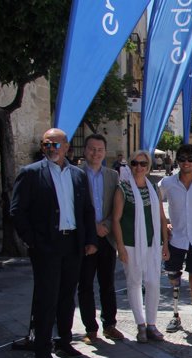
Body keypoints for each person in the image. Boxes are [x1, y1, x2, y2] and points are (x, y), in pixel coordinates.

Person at [10, 128, 98, 358]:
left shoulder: (77, 175)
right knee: (46, 296)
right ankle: (42, 346)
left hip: (72, 243)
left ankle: (64, 340)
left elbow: (87, 211)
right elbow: (17, 211)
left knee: (67, 295)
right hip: (47, 244)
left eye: (55, 145)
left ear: (67, 147)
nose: (51, 149)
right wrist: (33, 240)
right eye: (47, 144)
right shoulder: (30, 174)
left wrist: (90, 240)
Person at [112, 150, 170, 343]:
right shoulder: (123, 189)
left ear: (148, 167)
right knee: (135, 283)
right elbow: (116, 219)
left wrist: (165, 244)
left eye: (143, 164)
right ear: (130, 165)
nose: (139, 167)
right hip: (130, 243)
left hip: (152, 244)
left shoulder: (154, 188)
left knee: (153, 283)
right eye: (135, 163)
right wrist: (120, 247)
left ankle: (152, 324)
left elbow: (162, 218)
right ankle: (140, 325)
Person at [159, 144, 192, 335]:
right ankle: (175, 315)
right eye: (182, 159)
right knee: (173, 278)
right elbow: (154, 202)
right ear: (177, 161)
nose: (186, 162)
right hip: (176, 238)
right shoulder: (167, 183)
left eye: (190, 159)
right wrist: (164, 224)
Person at [77, 134, 124, 344]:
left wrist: (104, 225)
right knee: (85, 284)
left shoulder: (113, 176)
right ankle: (90, 328)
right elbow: (72, 207)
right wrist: (92, 229)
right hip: (86, 239)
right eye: (92, 149)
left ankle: (109, 325)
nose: (95, 153)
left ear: (105, 152)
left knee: (107, 284)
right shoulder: (74, 174)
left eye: (99, 150)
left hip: (106, 237)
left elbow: (117, 206)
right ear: (85, 150)